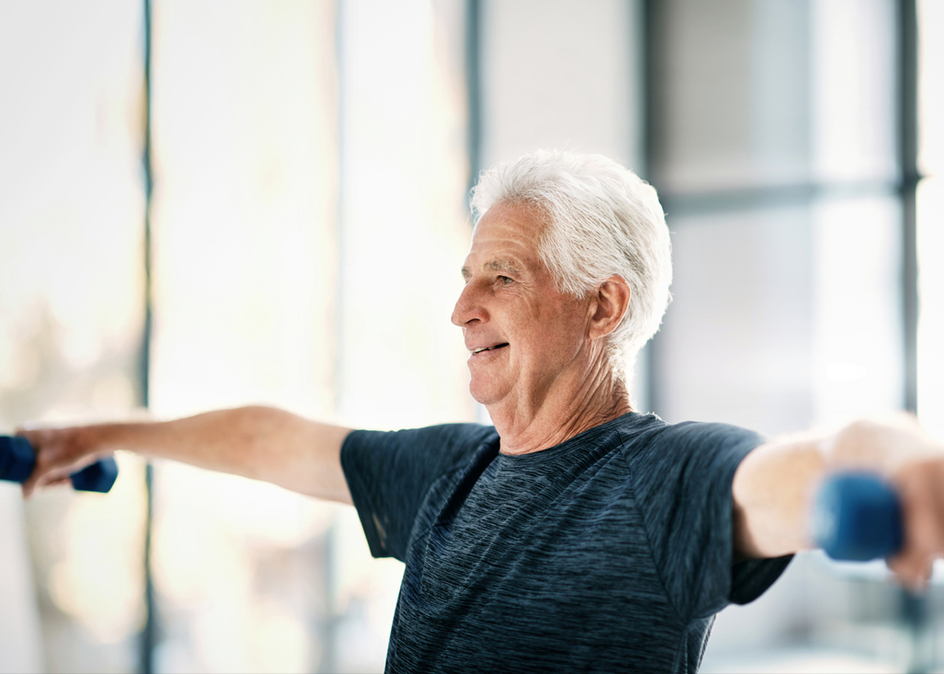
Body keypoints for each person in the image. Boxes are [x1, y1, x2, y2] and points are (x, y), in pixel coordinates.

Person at [18, 150, 944, 673]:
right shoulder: (447, 472)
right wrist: (99, 435)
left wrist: (900, 460)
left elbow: (810, 465)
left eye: (501, 278)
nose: (463, 311)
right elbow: (272, 439)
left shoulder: (662, 481)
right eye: (465, 281)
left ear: (603, 306)